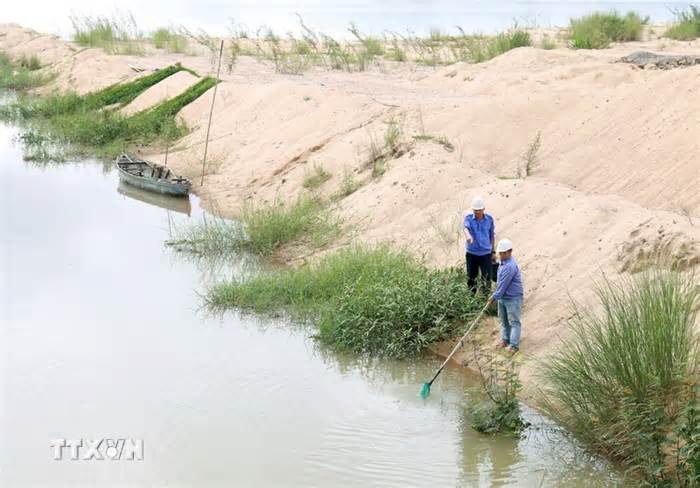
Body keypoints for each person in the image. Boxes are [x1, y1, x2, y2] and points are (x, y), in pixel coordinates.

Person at [487, 238, 524, 353]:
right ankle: (505, 340)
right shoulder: (502, 263)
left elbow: (503, 285)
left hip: (513, 297)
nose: (501, 255)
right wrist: (497, 296)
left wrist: (494, 296)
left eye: (503, 253)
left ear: (509, 252)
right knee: (503, 320)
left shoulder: (510, 266)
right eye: (500, 253)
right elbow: (499, 283)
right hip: (503, 297)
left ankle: (514, 346)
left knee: (514, 321)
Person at [463, 196, 495, 293]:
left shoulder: (489, 219)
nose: (477, 212)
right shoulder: (468, 218)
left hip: (486, 254)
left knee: (486, 278)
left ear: (483, 209)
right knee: (471, 278)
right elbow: (465, 228)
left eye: (479, 210)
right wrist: (468, 236)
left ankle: (485, 298)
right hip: (472, 254)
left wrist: (493, 251)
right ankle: (471, 300)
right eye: (475, 210)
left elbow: (491, 236)